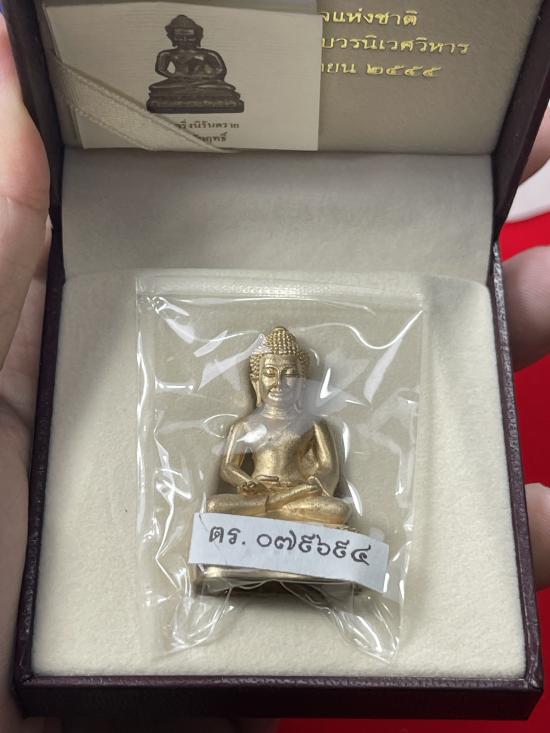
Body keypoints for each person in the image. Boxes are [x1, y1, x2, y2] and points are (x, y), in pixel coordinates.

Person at [0, 13, 549, 732]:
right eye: (270, 379)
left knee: (330, 513)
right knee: (224, 509)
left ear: (299, 379)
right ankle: (261, 559)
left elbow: (325, 476)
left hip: (300, 510)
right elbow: (233, 472)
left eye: (288, 378)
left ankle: (303, 561)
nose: (278, 388)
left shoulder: (312, 424)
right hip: (256, 509)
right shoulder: (248, 423)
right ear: (258, 380)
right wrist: (257, 487)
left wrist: (297, 490)